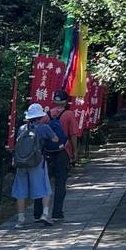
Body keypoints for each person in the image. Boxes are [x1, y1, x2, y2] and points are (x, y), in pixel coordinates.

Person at [12, 103, 56, 228]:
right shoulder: (44, 128)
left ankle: (21, 219)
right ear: (41, 116)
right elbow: (55, 139)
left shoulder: (22, 128)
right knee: (44, 188)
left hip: (21, 162)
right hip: (37, 161)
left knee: (20, 191)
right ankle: (45, 214)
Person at [34, 90, 73, 222]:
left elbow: (39, 132)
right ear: (66, 101)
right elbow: (73, 135)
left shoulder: (46, 115)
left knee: (43, 182)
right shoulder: (69, 114)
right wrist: (74, 153)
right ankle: (57, 213)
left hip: (47, 153)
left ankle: (38, 212)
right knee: (60, 183)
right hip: (63, 152)